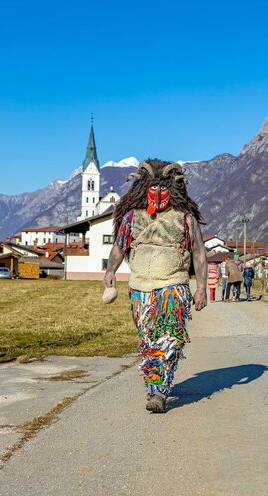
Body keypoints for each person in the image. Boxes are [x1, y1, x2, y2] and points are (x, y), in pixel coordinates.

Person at [104, 159, 207, 413]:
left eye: (164, 188)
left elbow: (199, 253)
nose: (159, 193)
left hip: (173, 286)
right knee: (149, 338)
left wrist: (202, 288)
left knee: (169, 337)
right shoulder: (131, 218)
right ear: (144, 187)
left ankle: (159, 393)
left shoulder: (185, 219)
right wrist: (110, 271)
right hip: (140, 289)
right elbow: (119, 247)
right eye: (154, 187)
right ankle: (154, 385)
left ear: (174, 188)